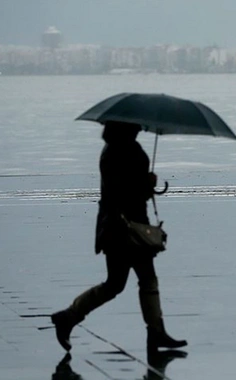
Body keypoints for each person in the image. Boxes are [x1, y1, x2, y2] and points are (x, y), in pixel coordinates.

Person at [51, 121, 186, 352]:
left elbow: (125, 190)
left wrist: (145, 184)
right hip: (124, 228)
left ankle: (155, 331)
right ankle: (154, 332)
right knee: (129, 281)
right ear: (125, 128)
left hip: (118, 227)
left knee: (127, 281)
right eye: (135, 126)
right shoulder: (121, 152)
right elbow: (125, 192)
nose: (140, 128)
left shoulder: (117, 149)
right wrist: (147, 184)